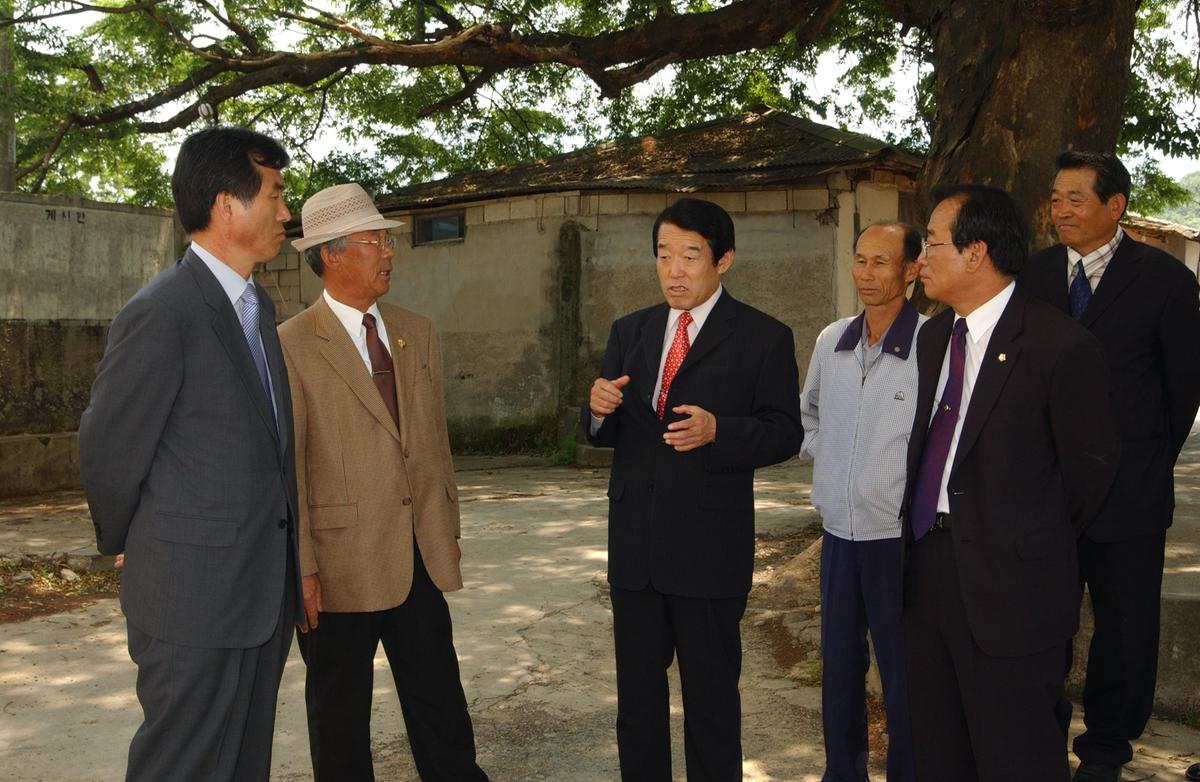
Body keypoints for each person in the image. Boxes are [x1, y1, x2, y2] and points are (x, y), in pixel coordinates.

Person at [78, 126, 302, 781]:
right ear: (227, 205)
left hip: (260, 592)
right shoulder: (164, 310)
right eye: (275, 195)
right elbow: (108, 443)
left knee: (243, 764)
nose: (286, 211)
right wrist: (128, 536)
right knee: (182, 765)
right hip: (192, 598)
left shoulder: (257, 305)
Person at [902, 184, 1120, 782]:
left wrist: (1026, 536)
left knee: (1015, 756)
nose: (920, 259)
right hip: (927, 571)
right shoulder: (932, 338)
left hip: (1013, 589)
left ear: (975, 252)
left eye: (932, 244)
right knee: (937, 752)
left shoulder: (1059, 345)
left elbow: (1090, 474)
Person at [583, 197, 802, 781]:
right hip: (636, 552)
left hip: (709, 552)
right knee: (637, 707)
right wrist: (597, 409)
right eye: (663, 256)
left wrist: (719, 430)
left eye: (689, 256)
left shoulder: (763, 336)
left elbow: (786, 431)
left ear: (722, 260)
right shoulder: (630, 330)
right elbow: (606, 430)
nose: (673, 271)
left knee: (711, 706)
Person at [280, 183, 488, 782]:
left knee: (441, 706)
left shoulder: (415, 332)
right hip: (337, 568)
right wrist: (302, 565)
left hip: (417, 555)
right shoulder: (290, 344)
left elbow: (433, 444)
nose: (390, 251)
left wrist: (444, 529)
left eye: (388, 241)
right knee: (340, 722)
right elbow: (289, 466)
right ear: (331, 253)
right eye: (375, 241)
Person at [1020, 151, 1200, 782]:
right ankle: (1038, 738)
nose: (1060, 210)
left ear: (1114, 205)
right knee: (1041, 621)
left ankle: (1105, 750)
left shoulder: (1164, 280)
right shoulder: (1034, 275)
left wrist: (1141, 465)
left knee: (1125, 628)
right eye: (1055, 198)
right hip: (1043, 491)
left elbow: (1182, 392)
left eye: (1075, 198)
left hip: (1130, 492)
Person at [800, 222, 923, 782]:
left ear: (911, 270)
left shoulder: (932, 344)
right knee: (840, 671)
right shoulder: (832, 341)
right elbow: (809, 412)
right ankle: (842, 773)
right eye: (860, 260)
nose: (866, 274)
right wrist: (828, 459)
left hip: (898, 539)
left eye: (881, 262)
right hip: (838, 536)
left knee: (904, 675)